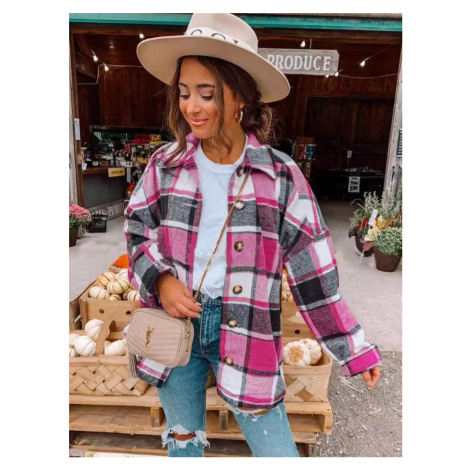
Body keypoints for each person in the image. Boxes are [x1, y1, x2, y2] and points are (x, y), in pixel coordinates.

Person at [124, 13, 382, 458]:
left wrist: (353, 350)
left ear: (241, 96)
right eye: (184, 92)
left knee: (277, 454)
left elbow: (314, 275)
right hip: (175, 327)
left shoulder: (280, 177)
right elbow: (136, 230)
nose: (191, 107)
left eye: (207, 93)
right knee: (183, 445)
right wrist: (160, 280)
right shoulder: (165, 165)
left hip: (248, 330)